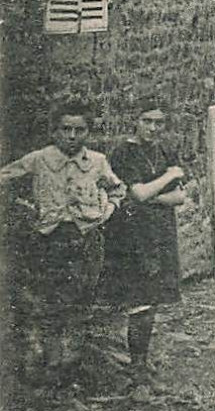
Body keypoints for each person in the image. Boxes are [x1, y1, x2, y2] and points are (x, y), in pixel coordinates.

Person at [0, 99, 125, 386]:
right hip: (48, 241)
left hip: (85, 241)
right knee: (49, 302)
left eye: (78, 130)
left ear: (87, 132)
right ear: (54, 131)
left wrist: (107, 211)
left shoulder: (97, 161)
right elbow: (5, 177)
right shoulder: (39, 158)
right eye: (65, 129)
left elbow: (117, 189)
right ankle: (50, 368)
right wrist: (21, 209)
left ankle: (73, 370)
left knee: (81, 303)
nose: (71, 136)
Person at [102, 102, 190, 400]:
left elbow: (180, 197)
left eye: (159, 123)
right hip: (132, 235)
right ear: (134, 121)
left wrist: (151, 194)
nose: (153, 128)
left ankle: (141, 365)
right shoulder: (123, 153)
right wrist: (166, 179)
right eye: (147, 121)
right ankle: (136, 369)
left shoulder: (165, 152)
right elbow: (135, 193)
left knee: (152, 301)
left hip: (160, 234)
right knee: (139, 300)